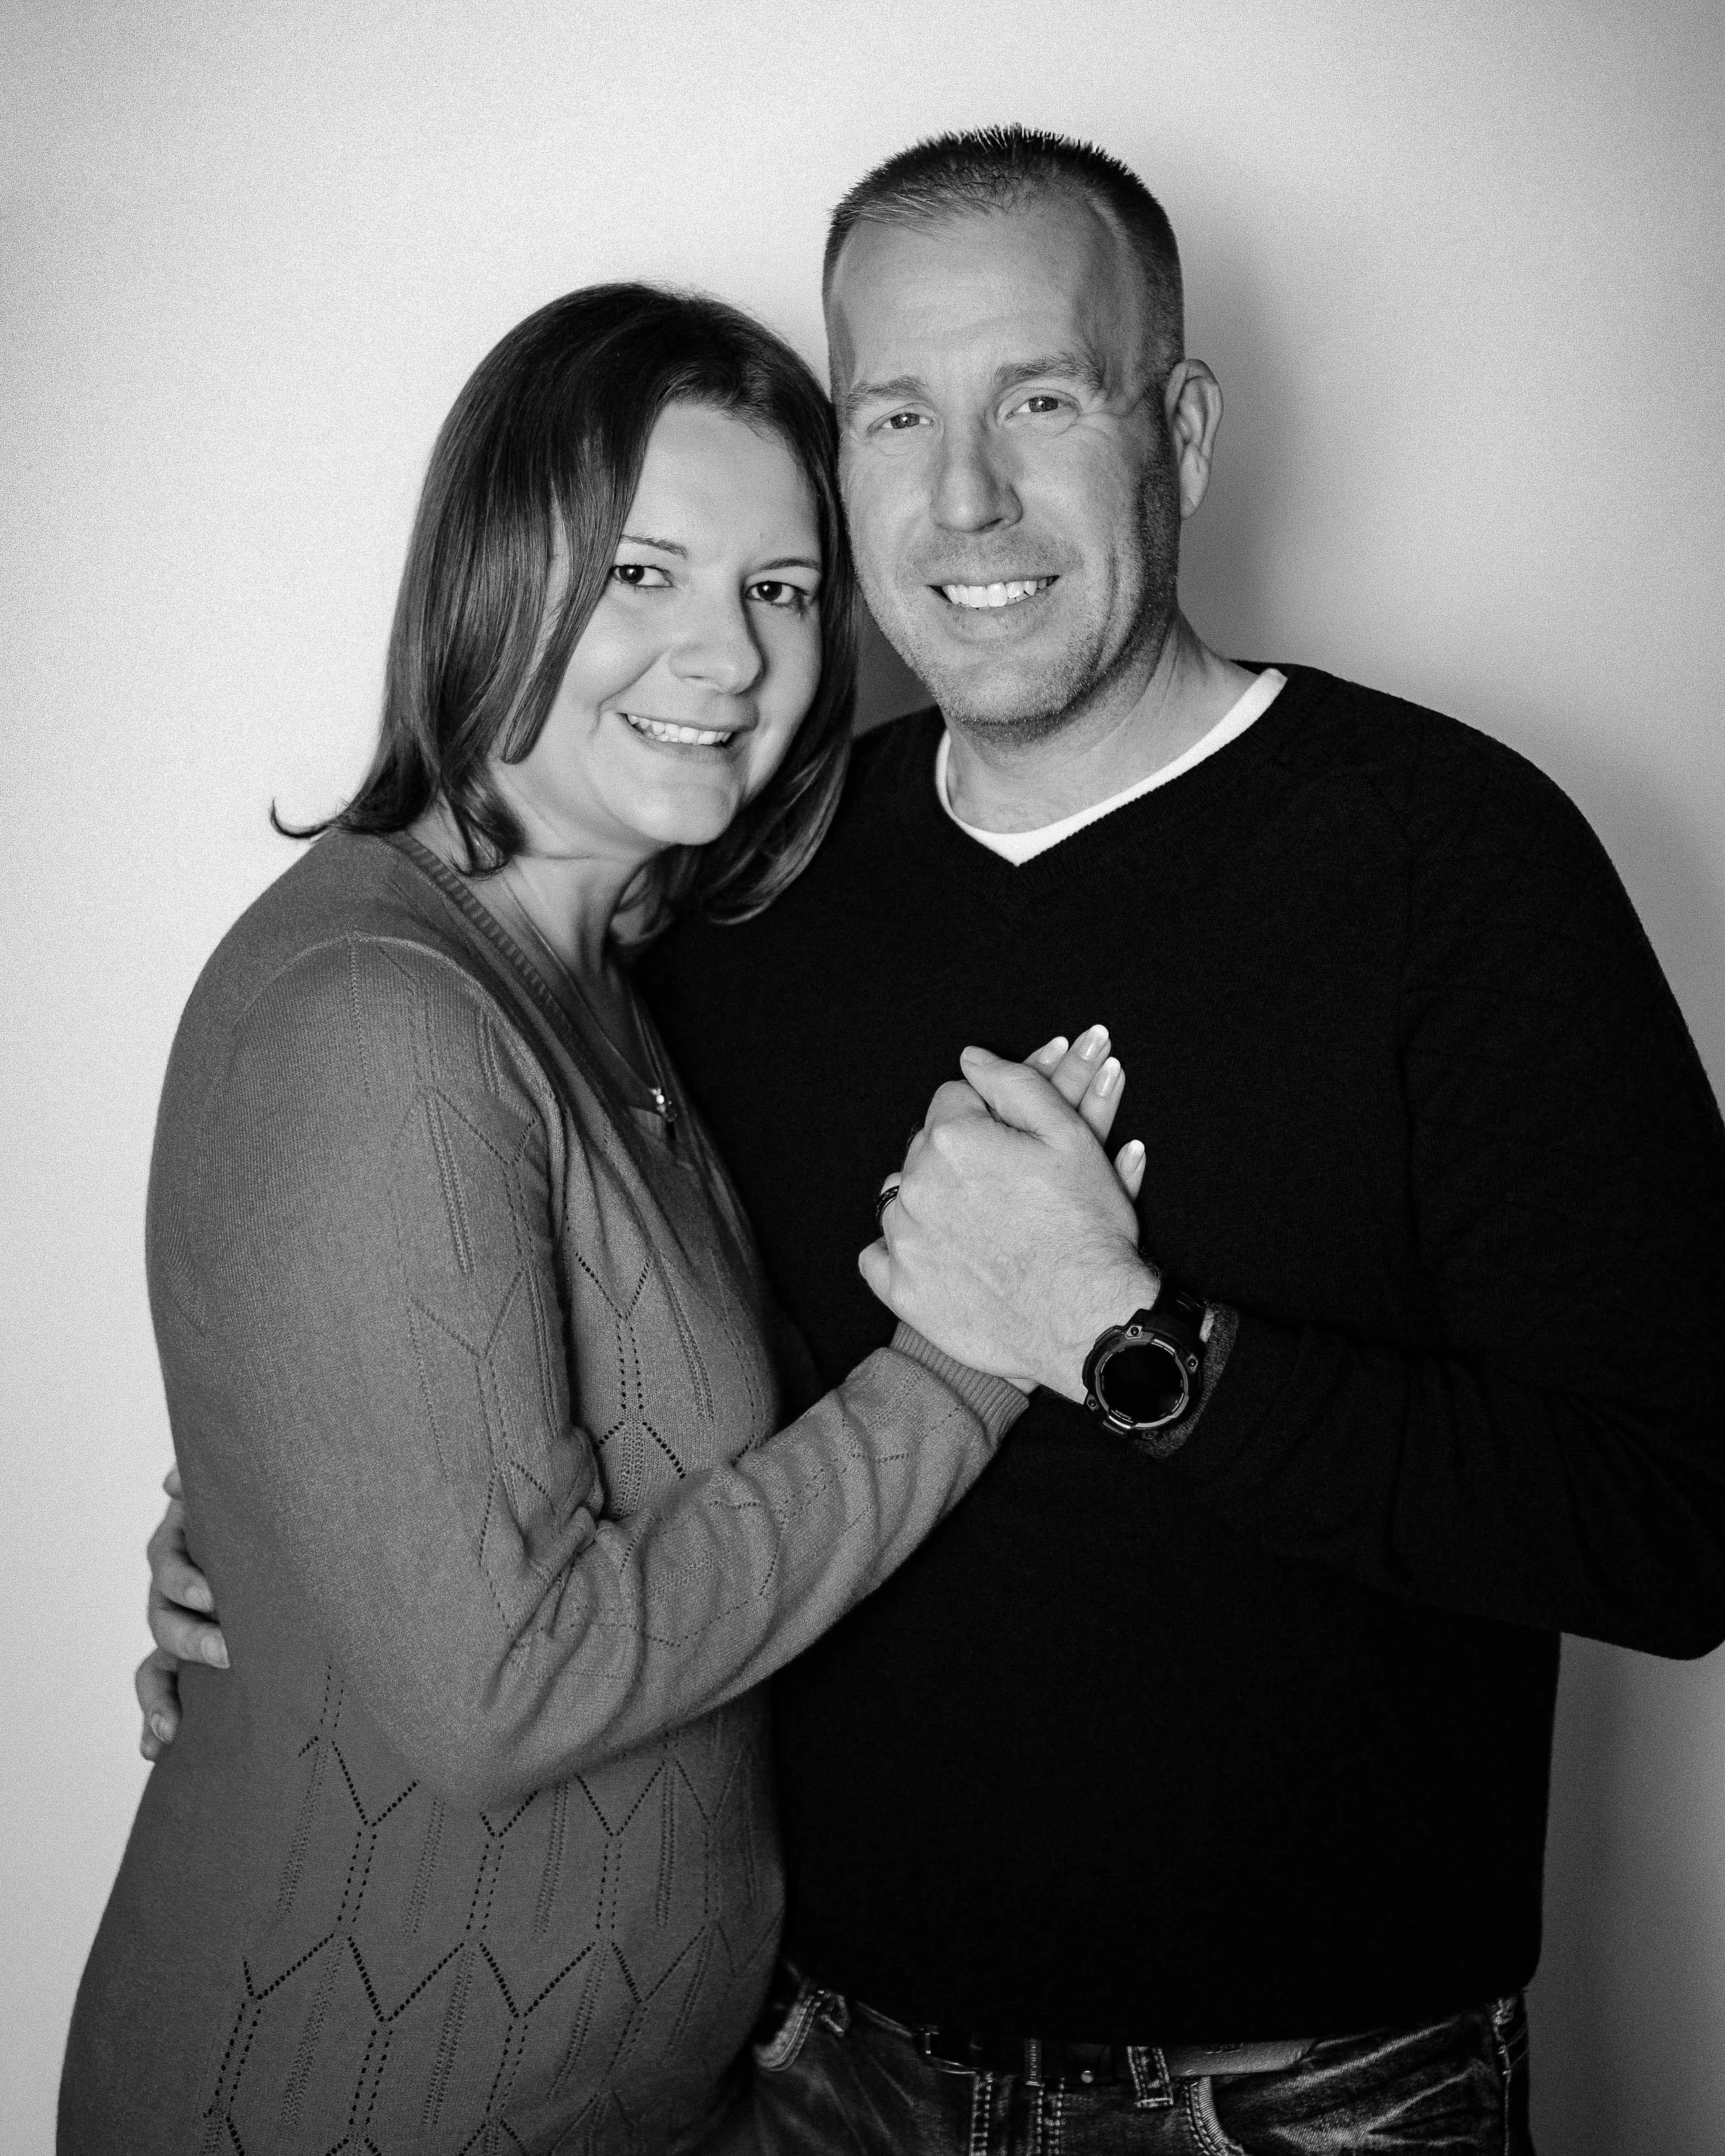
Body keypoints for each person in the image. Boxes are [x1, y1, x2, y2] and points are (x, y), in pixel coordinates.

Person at [137, 128, 1725, 2155]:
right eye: (896, 411)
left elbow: (1675, 1527)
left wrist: (1137, 1349)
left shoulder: (1455, 863)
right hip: (815, 2074)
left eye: (1040, 399)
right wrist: (284, 1528)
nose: (962, 493)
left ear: (1183, 431)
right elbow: (529, 1345)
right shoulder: (741, 885)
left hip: (1309, 2094)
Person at [61, 278, 1145, 2155]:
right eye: (642, 574)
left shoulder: (598, 975)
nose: (724, 656)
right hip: (356, 2097)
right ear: (493, 571)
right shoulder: (382, 1012)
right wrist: (960, 1368)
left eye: (780, 591)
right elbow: (505, 1675)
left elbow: (451, 1439)